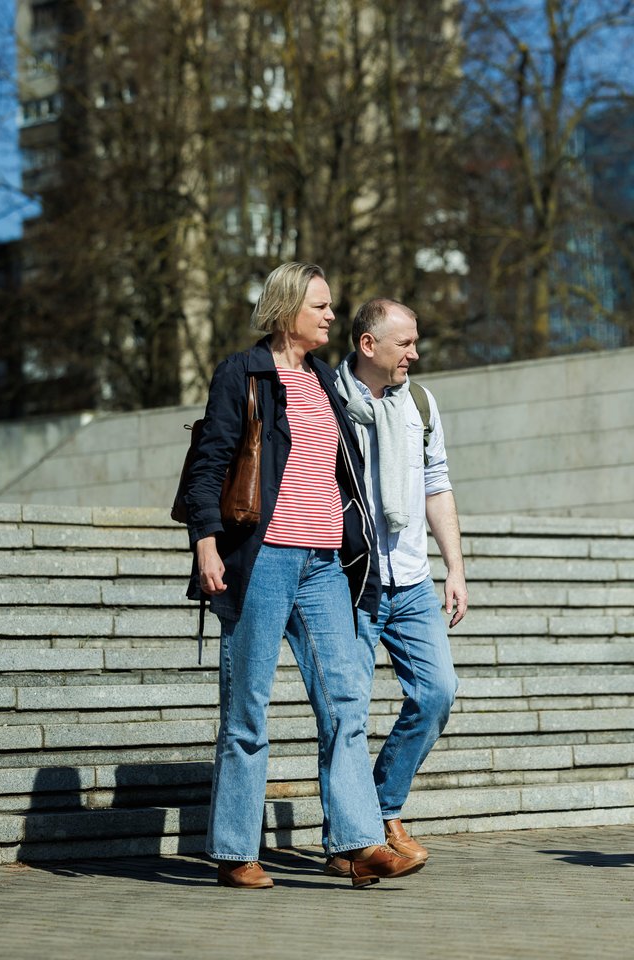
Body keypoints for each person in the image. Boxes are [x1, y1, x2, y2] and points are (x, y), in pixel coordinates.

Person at [184, 264, 427, 889]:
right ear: (287, 307)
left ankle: (357, 842)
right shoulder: (244, 374)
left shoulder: (324, 381)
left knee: (345, 700)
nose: (330, 316)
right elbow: (209, 464)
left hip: (324, 565)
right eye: (320, 306)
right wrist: (206, 544)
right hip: (260, 558)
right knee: (248, 709)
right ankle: (235, 851)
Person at [326, 296, 468, 876]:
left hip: (410, 582)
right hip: (351, 584)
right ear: (369, 345)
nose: (415, 353)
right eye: (405, 343)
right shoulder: (328, 400)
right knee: (346, 716)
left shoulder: (420, 404)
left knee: (437, 693)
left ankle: (382, 809)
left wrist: (454, 567)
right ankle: (350, 842)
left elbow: (437, 483)